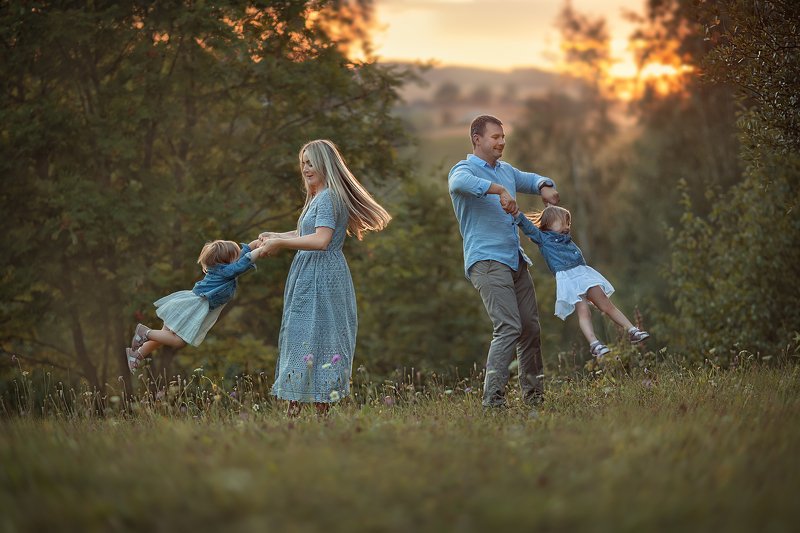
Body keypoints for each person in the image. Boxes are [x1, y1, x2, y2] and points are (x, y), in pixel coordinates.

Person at [259, 139, 391, 417]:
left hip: (322, 276)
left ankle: (320, 415)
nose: (306, 169)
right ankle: (297, 414)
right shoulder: (319, 197)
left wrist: (280, 245)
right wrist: (276, 236)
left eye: (311, 163)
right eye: (303, 163)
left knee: (319, 338)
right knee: (303, 337)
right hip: (310, 275)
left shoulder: (330, 196)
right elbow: (306, 232)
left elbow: (321, 240)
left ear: (324, 164)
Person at [448, 114, 560, 411]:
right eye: (495, 137)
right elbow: (458, 184)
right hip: (486, 261)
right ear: (477, 139)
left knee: (530, 328)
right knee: (508, 327)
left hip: (515, 260)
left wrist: (545, 186)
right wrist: (498, 190)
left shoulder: (506, 170)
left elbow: (531, 179)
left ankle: (535, 399)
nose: (502, 142)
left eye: (503, 136)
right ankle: (493, 402)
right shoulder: (464, 168)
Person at [514, 205, 650, 357]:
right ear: (549, 224)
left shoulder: (566, 239)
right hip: (568, 278)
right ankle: (594, 344)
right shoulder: (543, 238)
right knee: (584, 311)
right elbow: (528, 227)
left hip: (583, 273)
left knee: (606, 303)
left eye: (568, 223)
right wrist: (515, 213)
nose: (567, 226)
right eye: (562, 223)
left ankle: (632, 330)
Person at [126, 238, 266, 372]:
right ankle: (145, 332)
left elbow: (244, 253)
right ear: (226, 260)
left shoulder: (225, 267)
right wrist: (259, 251)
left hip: (188, 304)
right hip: (192, 307)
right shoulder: (226, 271)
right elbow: (242, 263)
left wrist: (259, 242)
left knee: (164, 336)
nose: (240, 257)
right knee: (179, 342)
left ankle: (137, 355)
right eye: (236, 256)